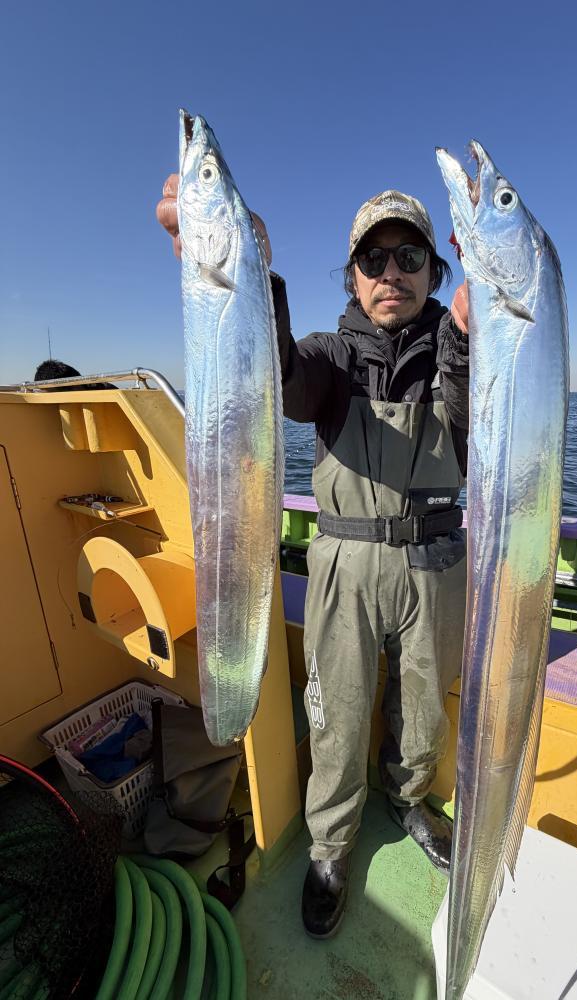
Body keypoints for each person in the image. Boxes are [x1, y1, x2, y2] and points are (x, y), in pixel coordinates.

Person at [157, 178, 470, 938]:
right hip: (344, 563)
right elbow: (285, 386)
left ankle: (408, 801)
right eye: (373, 259)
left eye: (409, 257)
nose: (390, 273)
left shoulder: (459, 347)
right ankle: (330, 846)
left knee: (423, 706)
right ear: (352, 276)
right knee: (337, 714)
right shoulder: (330, 354)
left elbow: (473, 423)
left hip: (435, 559)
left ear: (434, 272)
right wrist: (248, 271)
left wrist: (469, 336)